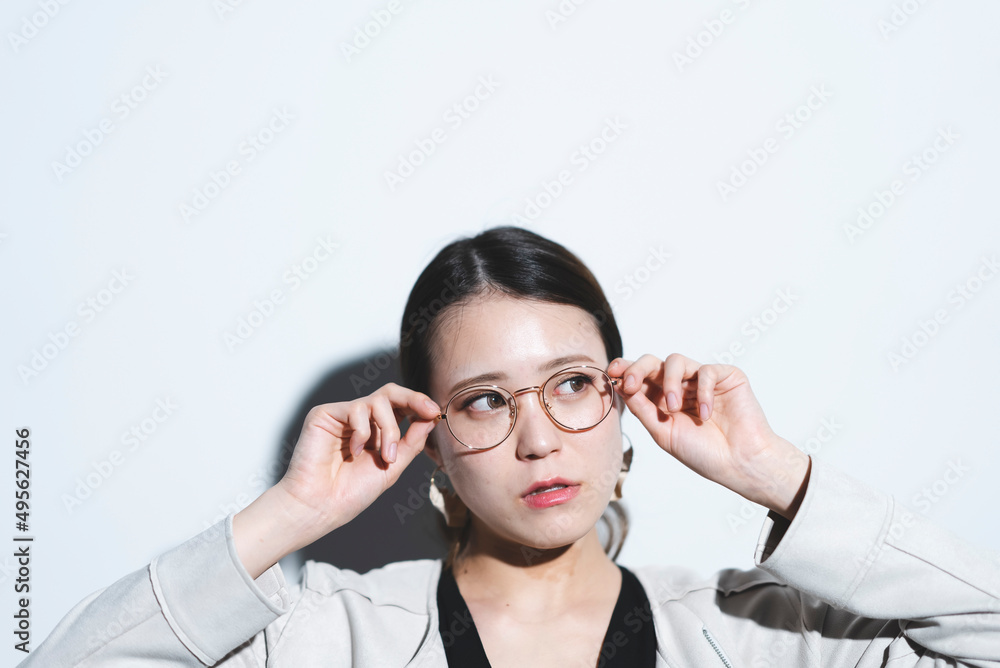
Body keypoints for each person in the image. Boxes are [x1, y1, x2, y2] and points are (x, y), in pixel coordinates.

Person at [22, 226, 1000, 667]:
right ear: (432, 442)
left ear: (624, 400)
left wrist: (776, 476)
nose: (538, 439)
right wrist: (289, 514)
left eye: (572, 383)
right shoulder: (323, 637)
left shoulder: (767, 633)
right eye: (485, 400)